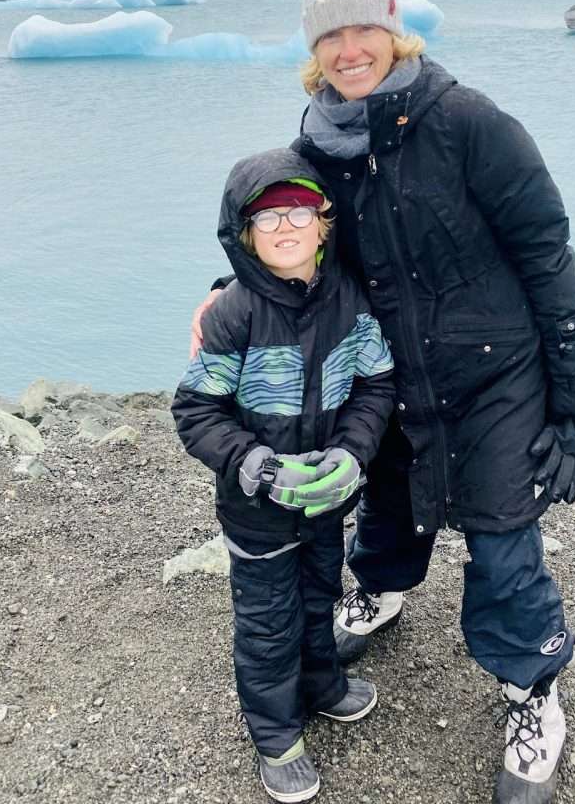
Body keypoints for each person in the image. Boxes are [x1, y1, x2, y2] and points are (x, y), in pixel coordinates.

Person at [191, 0, 575, 804]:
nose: (351, 49)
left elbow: (544, 248)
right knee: (384, 501)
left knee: (501, 532)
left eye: (364, 29)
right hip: (382, 371)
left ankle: (532, 690)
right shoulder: (315, 145)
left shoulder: (469, 122)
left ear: (394, 29)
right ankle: (379, 591)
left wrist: (571, 400)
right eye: (331, 35)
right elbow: (287, 241)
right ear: (314, 49)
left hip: (493, 370)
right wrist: (224, 293)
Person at [173, 146, 395, 803]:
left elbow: (375, 386)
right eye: (266, 219)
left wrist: (352, 454)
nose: (285, 228)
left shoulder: (349, 301)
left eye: (299, 211)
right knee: (268, 619)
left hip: (326, 500)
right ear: (243, 236)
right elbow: (196, 410)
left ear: (324, 222)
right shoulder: (233, 313)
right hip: (256, 509)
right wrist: (256, 465)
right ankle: (275, 735)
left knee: (319, 590)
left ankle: (321, 682)